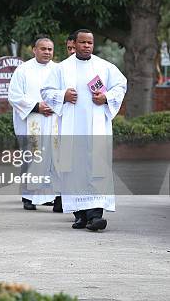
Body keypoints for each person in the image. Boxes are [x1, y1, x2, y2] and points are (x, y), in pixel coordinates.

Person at [41, 29, 127, 231]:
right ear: (74, 44)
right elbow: (46, 91)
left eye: (90, 43)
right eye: (83, 42)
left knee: (97, 169)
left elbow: (121, 85)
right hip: (72, 130)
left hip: (98, 129)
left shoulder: (104, 67)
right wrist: (63, 95)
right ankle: (80, 215)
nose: (87, 46)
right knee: (75, 170)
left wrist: (106, 98)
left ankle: (95, 215)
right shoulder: (62, 68)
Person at [8, 37, 61, 212]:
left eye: (50, 49)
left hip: (53, 121)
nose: (47, 52)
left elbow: (65, 94)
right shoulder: (23, 70)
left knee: (52, 158)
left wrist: (55, 105)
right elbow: (14, 96)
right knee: (31, 156)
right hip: (30, 120)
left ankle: (48, 195)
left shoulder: (59, 70)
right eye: (43, 49)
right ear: (34, 50)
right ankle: (28, 196)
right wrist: (37, 106)